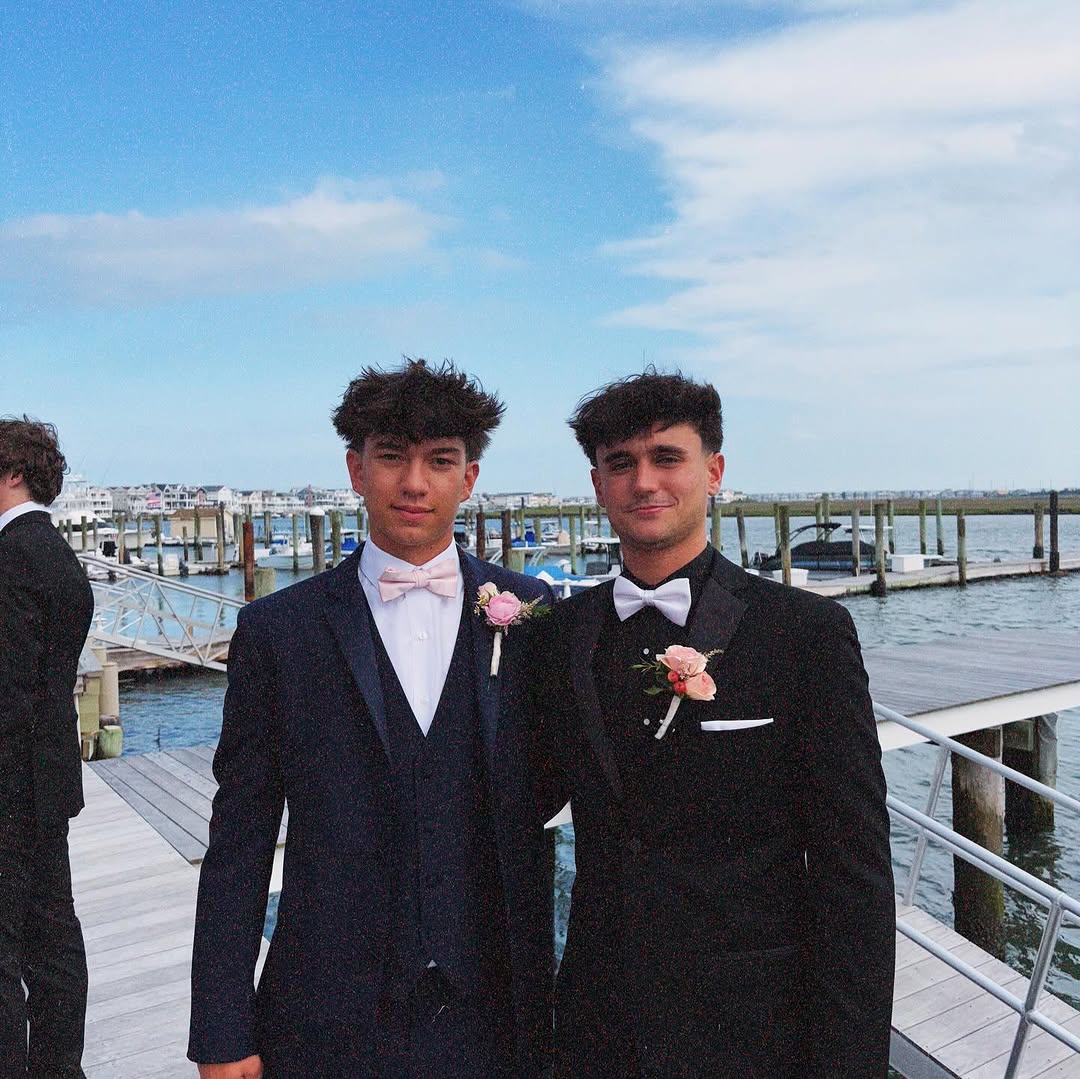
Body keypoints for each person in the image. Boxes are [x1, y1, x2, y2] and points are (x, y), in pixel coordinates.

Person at [189, 360, 554, 1077]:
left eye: (439, 461)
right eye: (391, 456)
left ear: (469, 478)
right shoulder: (278, 631)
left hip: (497, 1015)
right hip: (327, 1013)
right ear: (356, 470)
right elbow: (241, 833)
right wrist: (222, 1027)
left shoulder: (535, 616)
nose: (414, 483)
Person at [537, 371, 895, 1077]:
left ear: (714, 471)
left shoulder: (804, 633)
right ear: (598, 486)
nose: (644, 481)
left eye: (667, 457)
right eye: (621, 464)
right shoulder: (560, 636)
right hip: (598, 1029)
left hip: (755, 1032)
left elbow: (853, 872)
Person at [0, 416, 94, 1077]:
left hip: (8, 780)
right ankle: (60, 1066)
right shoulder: (58, 556)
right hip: (49, 776)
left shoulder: (10, 559)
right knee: (54, 936)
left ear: (10, 473)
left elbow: (8, 690)